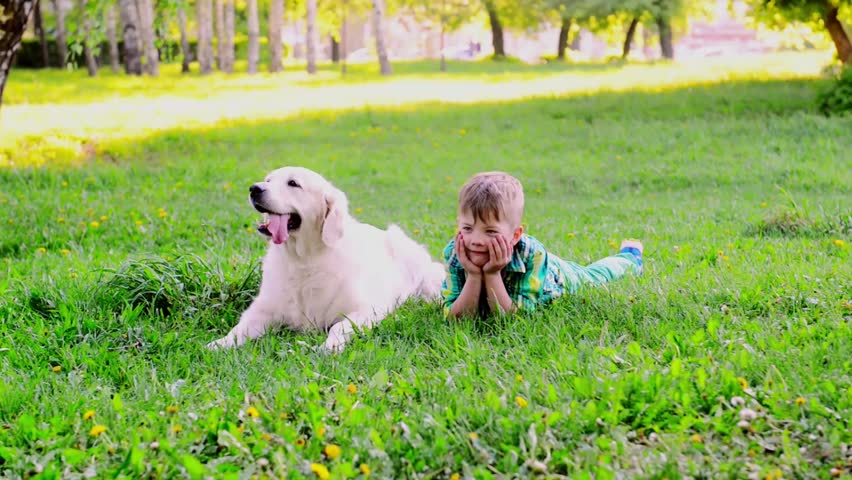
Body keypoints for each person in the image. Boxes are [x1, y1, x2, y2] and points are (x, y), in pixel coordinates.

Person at [441, 171, 643, 318]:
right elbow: (456, 318)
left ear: (515, 235)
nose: (476, 240)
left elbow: (514, 318)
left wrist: (492, 274)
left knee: (593, 276)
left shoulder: (532, 254)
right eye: (467, 228)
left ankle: (630, 258)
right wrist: (475, 275)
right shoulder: (455, 252)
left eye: (491, 231)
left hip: (556, 275)